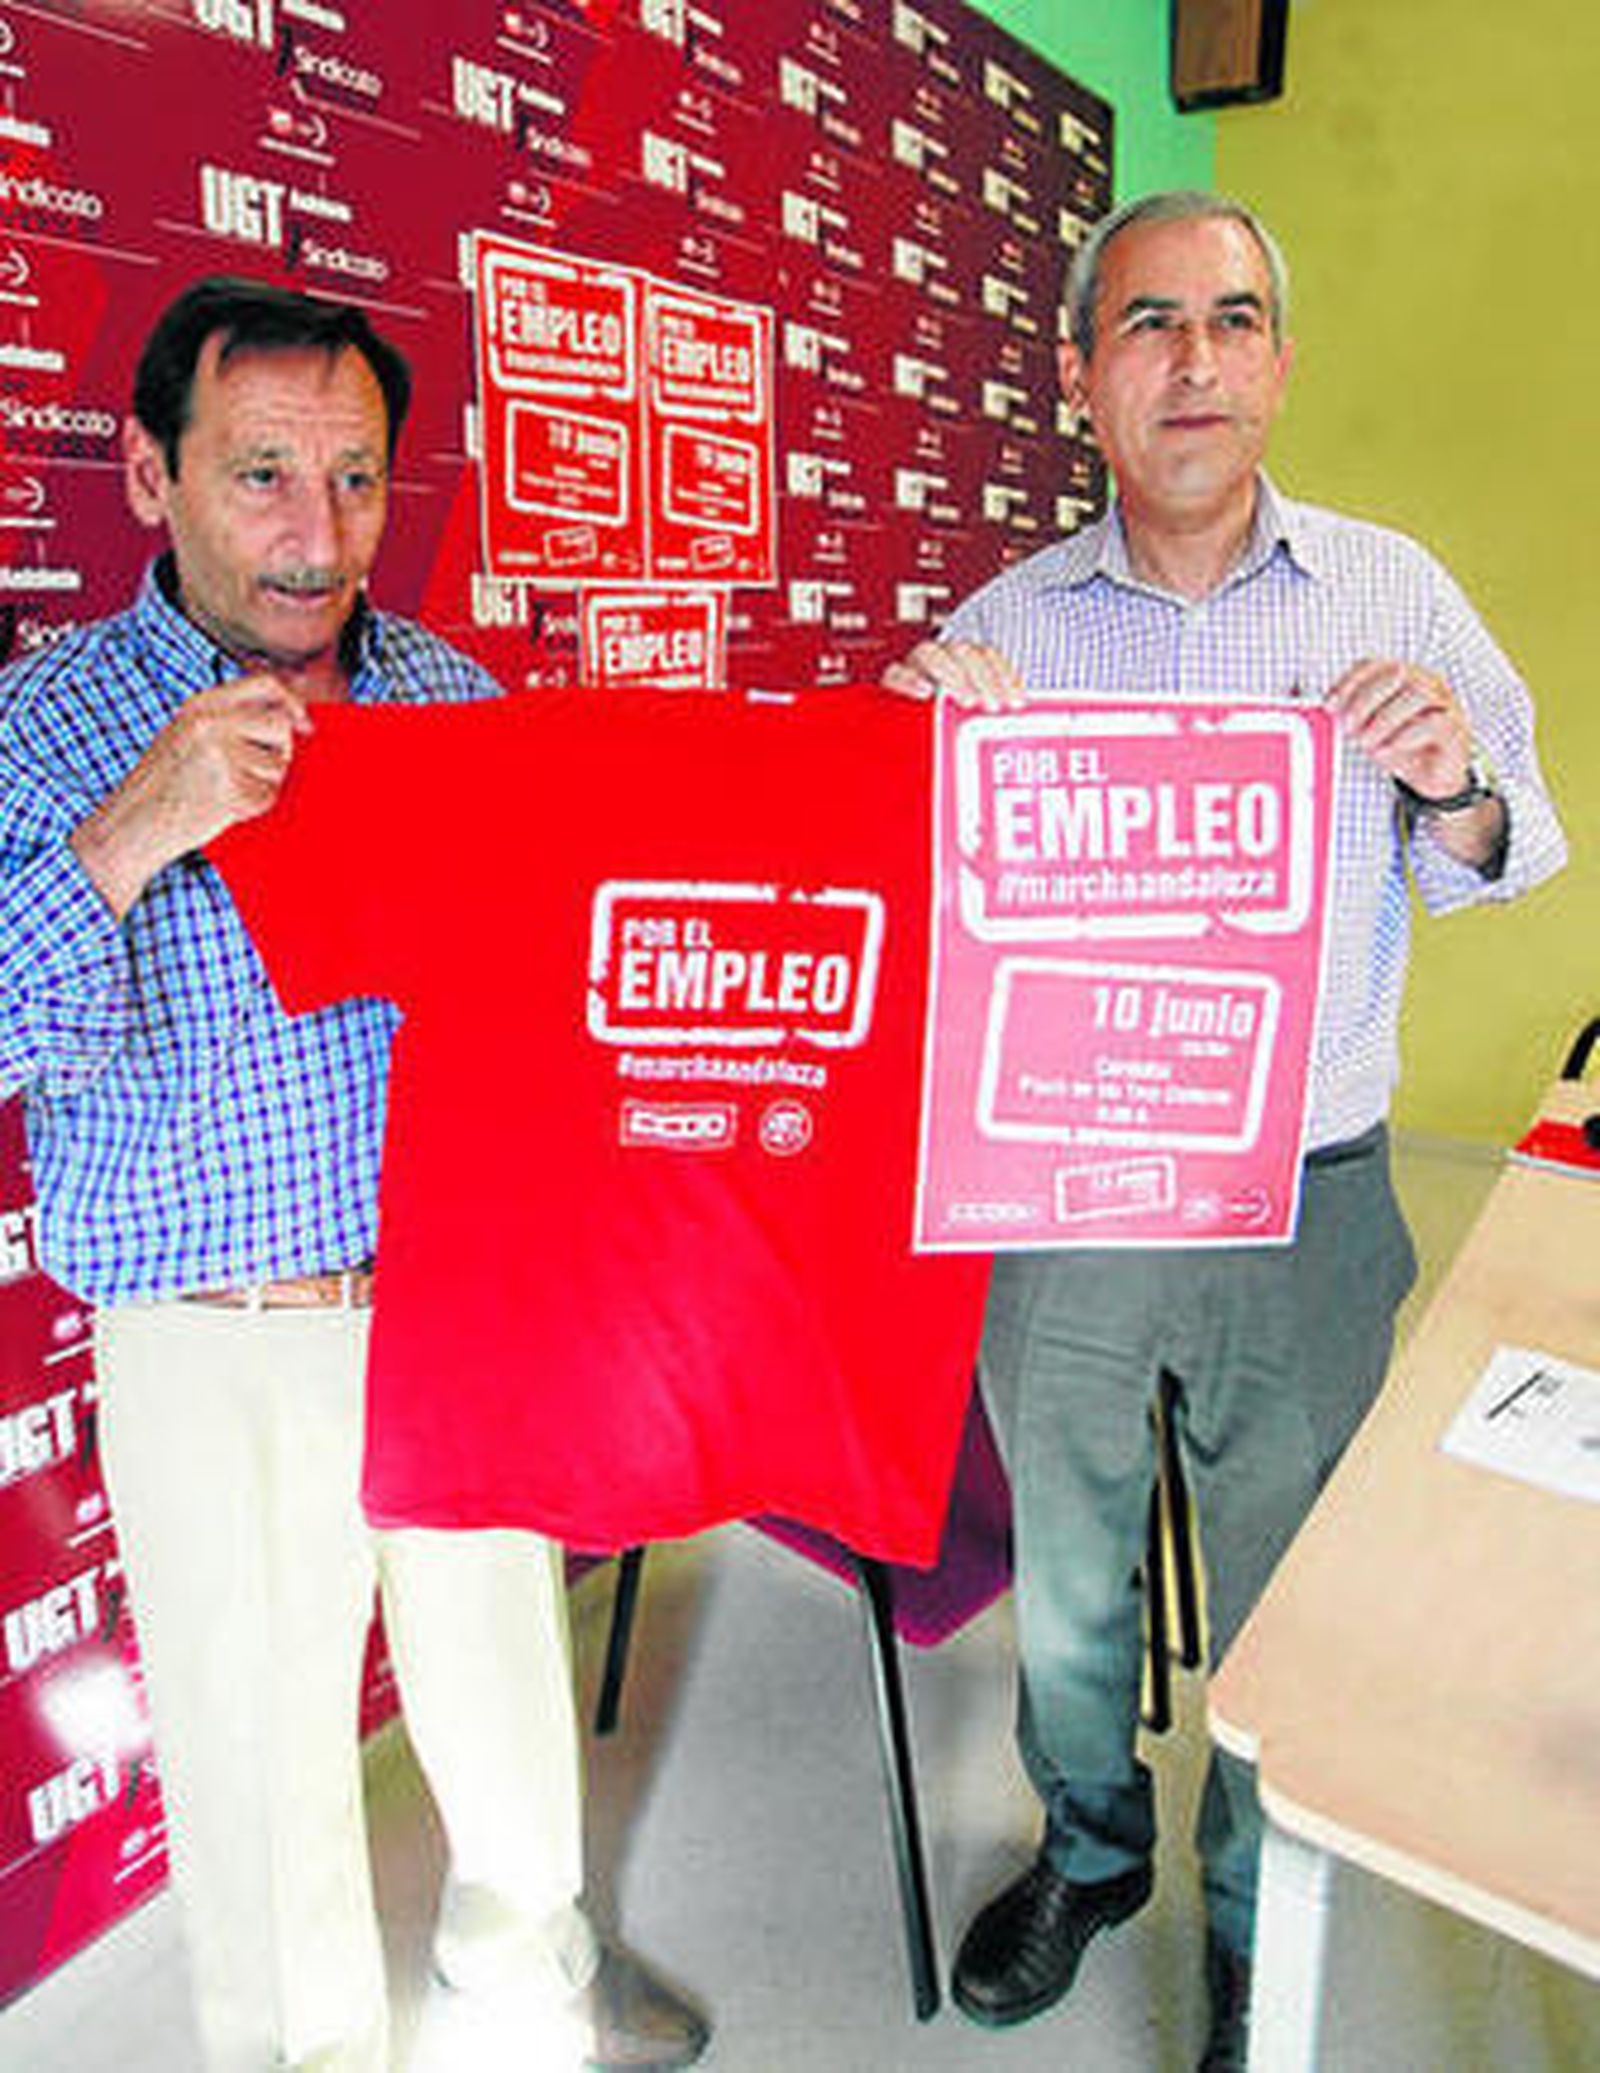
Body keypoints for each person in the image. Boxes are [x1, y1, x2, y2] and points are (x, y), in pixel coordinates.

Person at [885, 190, 1566, 2070]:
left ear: (1279, 361)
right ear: (1086, 373)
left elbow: (1524, 857)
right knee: (1079, 1592)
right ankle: (1091, 1851)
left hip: (1311, 1196)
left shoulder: (1392, 591)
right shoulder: (1004, 629)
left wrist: (1457, 780)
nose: (1196, 359)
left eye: (1235, 319)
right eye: (1152, 322)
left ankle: (1264, 1921)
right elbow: (901, 913)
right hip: (1072, 1204)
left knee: (1288, 1613)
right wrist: (896, 761)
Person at [0, 276, 709, 2073]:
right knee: (253, 1763)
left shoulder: (451, 698)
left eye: (358, 479)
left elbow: (564, 999)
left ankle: (526, 1978)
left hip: (455, 1307)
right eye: (259, 476)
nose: (318, 539)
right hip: (207, 1329)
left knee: (502, 1699)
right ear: (151, 477)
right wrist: (143, 823)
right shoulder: (50, 722)